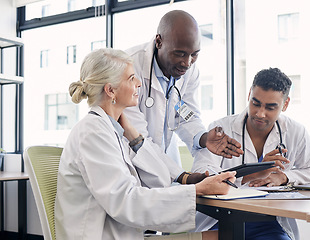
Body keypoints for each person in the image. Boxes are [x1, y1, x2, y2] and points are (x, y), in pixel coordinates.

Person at [55, 48, 237, 240]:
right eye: (131, 78)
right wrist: (197, 190)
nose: (139, 83)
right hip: (100, 235)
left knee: (221, 235)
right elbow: (126, 202)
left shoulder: (113, 129)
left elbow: (159, 180)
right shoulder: (93, 133)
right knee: (221, 237)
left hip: (123, 233)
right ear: (110, 90)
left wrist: (135, 139)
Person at [191, 68, 310, 240]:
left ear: (286, 104)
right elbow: (202, 174)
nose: (260, 113)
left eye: (270, 107)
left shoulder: (296, 131)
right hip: (222, 219)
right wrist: (253, 174)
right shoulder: (222, 129)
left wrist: (283, 177)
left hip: (270, 224)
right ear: (249, 95)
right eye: (256, 103)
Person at [124, 10, 243, 168]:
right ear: (159, 42)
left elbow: (186, 115)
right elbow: (136, 134)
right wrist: (183, 177)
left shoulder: (190, 71)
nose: (187, 63)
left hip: (165, 160)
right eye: (179, 54)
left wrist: (204, 138)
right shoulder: (129, 67)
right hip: (131, 161)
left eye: (194, 54)